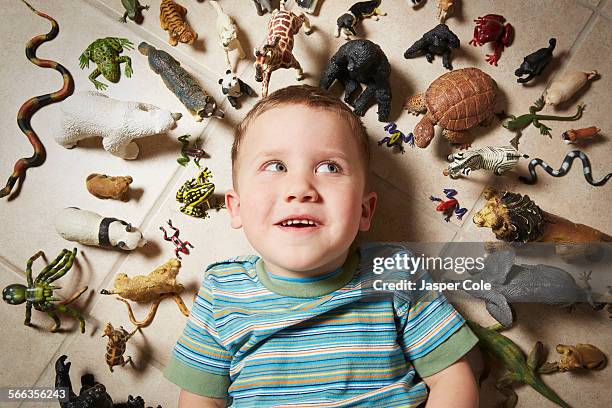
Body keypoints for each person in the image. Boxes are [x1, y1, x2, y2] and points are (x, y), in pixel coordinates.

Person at [164, 85, 479, 407]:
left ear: (364, 211)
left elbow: (451, 378)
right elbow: (200, 399)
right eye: (275, 166)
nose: (300, 189)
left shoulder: (395, 272)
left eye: (330, 167)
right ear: (237, 208)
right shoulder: (222, 289)